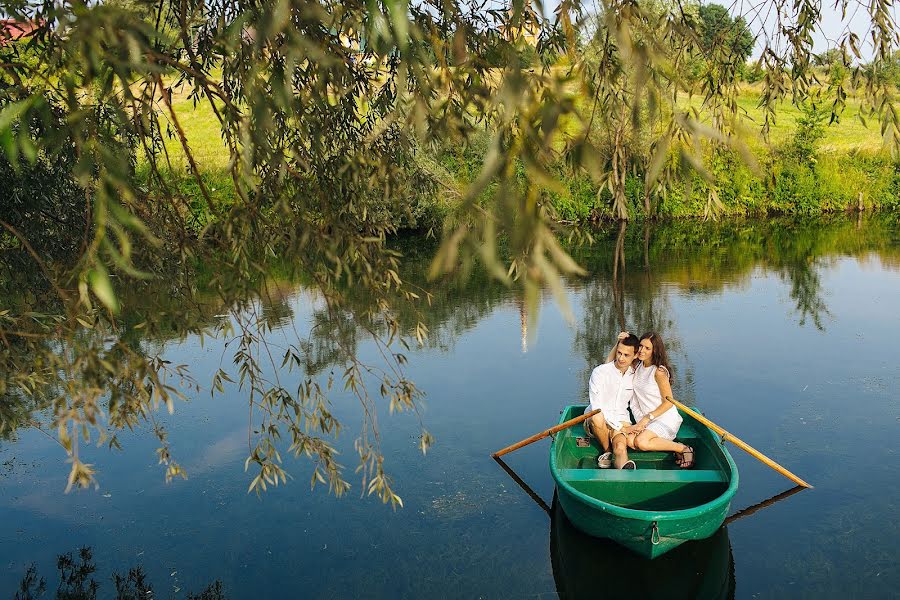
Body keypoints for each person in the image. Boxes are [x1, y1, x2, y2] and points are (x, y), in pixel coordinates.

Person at [620, 331, 694, 469]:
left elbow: (669, 402)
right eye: (641, 346)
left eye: (648, 348)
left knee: (641, 442)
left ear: (655, 351)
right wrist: (624, 340)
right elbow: (615, 361)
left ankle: (683, 448)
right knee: (630, 441)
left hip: (664, 418)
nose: (642, 350)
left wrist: (647, 418)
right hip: (645, 418)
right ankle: (670, 448)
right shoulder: (637, 365)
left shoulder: (659, 372)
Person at [584, 333, 641, 470]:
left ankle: (624, 474)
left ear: (635, 355)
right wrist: (620, 428)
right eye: (619, 353)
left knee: (621, 448)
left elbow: (636, 403)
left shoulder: (635, 375)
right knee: (596, 416)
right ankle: (607, 451)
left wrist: (640, 424)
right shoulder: (600, 372)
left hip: (621, 420)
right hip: (598, 420)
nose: (621, 358)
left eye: (626, 355)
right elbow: (597, 407)